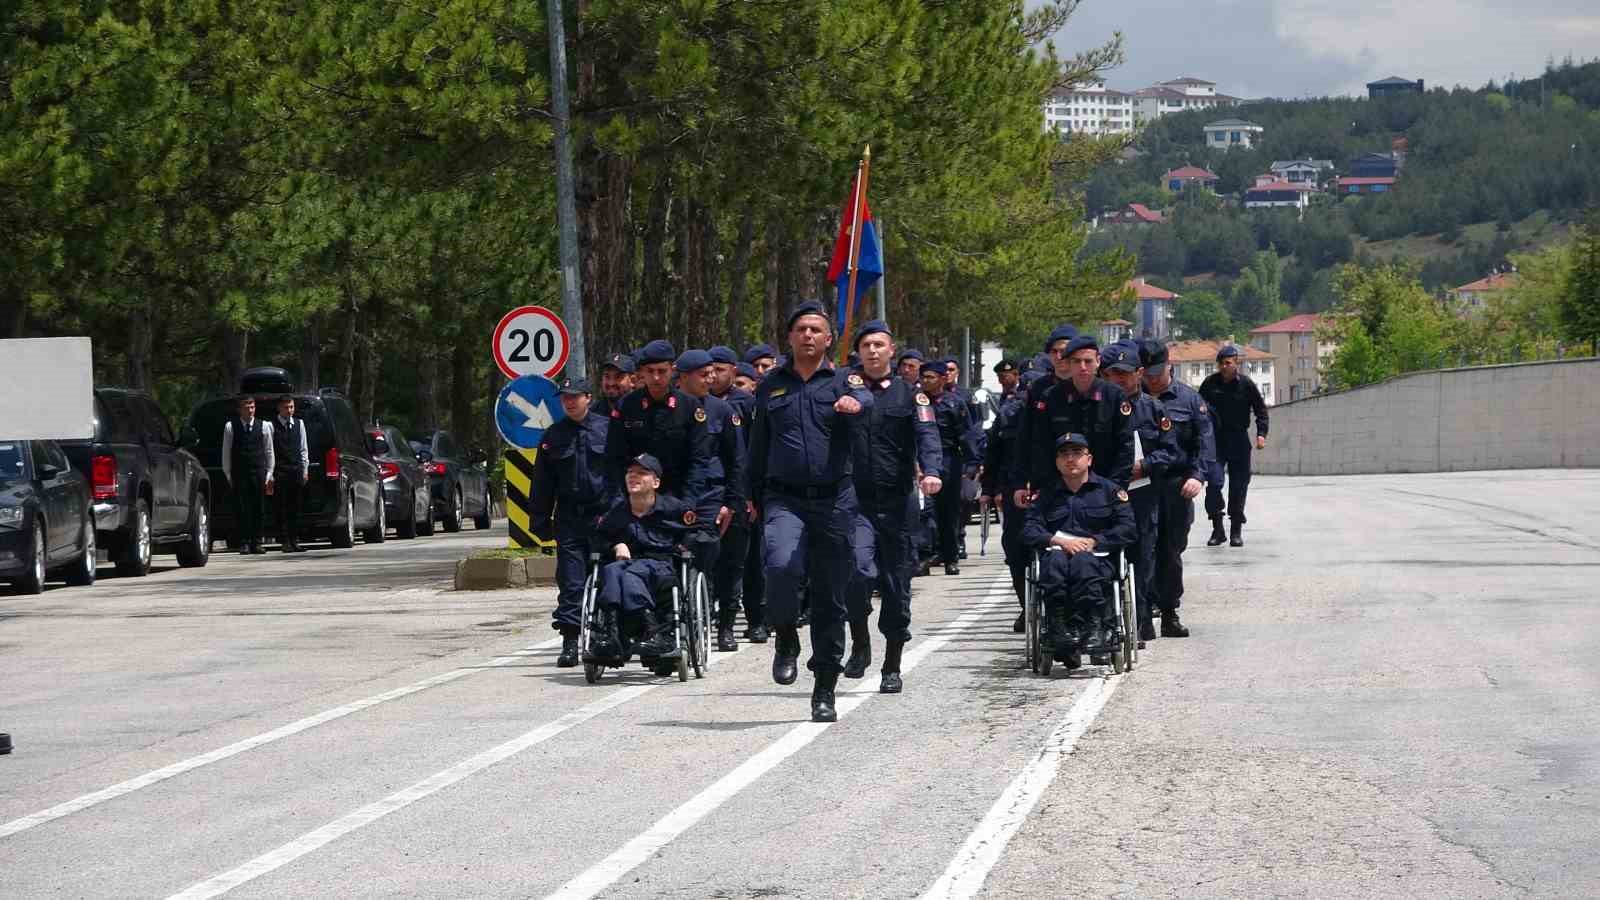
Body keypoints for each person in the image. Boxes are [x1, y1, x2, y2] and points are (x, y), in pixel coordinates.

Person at [746, 300, 874, 722]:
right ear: (789, 336)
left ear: (829, 338)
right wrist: (750, 495)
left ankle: (824, 688)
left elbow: (865, 399)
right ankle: (785, 636)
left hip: (834, 501)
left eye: (816, 330)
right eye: (800, 329)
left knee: (829, 597)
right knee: (780, 567)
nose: (808, 335)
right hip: (784, 499)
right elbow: (758, 444)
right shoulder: (771, 385)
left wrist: (855, 406)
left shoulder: (843, 380)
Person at [845, 320, 942, 693]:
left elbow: (927, 436)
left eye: (879, 345)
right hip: (856, 502)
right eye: (866, 345)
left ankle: (892, 664)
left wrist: (931, 472)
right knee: (855, 572)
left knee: (896, 585)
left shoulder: (910, 396)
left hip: (898, 503)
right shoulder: (845, 388)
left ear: (892, 350)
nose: (872, 351)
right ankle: (860, 643)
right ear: (858, 352)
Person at [1021, 433, 1137, 671]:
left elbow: (1128, 529)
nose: (1070, 459)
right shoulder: (1046, 495)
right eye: (1064, 454)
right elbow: (1028, 529)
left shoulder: (1109, 491)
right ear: (1056, 462)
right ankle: (1059, 628)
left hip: (1097, 562)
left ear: (1089, 459)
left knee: (1084, 561)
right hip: (1058, 559)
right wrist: (1056, 540)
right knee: (1053, 561)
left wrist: (1095, 541)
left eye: (1076, 454)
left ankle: (1094, 627)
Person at [1097, 342, 1180, 644]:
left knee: (1142, 560)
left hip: (1143, 497)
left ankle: (1141, 622)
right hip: (1107, 495)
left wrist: (1144, 466)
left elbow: (1170, 452)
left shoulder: (1154, 409)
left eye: (1125, 374)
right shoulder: (1098, 408)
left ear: (1139, 374)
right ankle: (1111, 623)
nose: (1119, 379)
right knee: (1105, 558)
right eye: (1113, 374)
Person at [529, 378, 614, 667]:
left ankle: (607, 634)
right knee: (571, 582)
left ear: (588, 397)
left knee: (609, 577)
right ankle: (569, 641)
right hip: (570, 518)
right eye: (564, 397)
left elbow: (622, 474)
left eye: (575, 396)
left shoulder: (609, 429)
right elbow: (542, 483)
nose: (569, 402)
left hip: (605, 516)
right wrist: (539, 520)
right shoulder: (553, 436)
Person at [1140, 339, 1215, 638]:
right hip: (1142, 483)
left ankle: (1169, 610)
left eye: (1157, 372)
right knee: (1143, 549)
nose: (1152, 378)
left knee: (1171, 550)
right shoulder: (1131, 400)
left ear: (1169, 366)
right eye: (1147, 373)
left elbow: (1205, 442)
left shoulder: (1189, 400)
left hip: (1176, 484)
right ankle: (1144, 614)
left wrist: (1198, 475)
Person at [674, 349, 747, 651]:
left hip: (715, 497)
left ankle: (726, 625)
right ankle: (684, 622)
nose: (711, 378)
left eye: (712, 373)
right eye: (703, 374)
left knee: (725, 562)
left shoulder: (722, 411)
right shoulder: (671, 408)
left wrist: (731, 502)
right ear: (684, 378)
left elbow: (737, 461)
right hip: (678, 497)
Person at [590, 454, 695, 663]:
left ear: (656, 482)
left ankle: (653, 631)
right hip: (628, 564)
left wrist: (681, 550)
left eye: (641, 473)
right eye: (630, 473)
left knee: (631, 573)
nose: (633, 476)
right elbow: (597, 538)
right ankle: (611, 635)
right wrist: (615, 545)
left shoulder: (674, 509)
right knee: (610, 570)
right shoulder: (617, 511)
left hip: (661, 565)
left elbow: (694, 534)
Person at [1015, 334, 1134, 505]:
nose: (1083, 367)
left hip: (1104, 490)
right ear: (1069, 364)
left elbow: (1125, 448)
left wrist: (1115, 488)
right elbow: (1040, 447)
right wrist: (1042, 488)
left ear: (1098, 361)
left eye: (1088, 361)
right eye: (1077, 362)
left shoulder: (1114, 397)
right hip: (1060, 492)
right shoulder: (1051, 397)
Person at [606, 339, 712, 505]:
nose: (656, 377)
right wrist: (621, 499)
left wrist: (688, 502)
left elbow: (699, 459)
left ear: (672, 370)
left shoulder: (689, 407)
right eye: (650, 371)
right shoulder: (627, 406)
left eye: (662, 371)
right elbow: (614, 457)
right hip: (636, 498)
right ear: (642, 372)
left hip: (678, 496)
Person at [981, 367, 1044, 632]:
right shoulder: (1008, 415)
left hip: (1049, 491)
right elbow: (993, 454)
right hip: (1014, 492)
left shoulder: (1053, 413)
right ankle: (1027, 606)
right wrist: (987, 489)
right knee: (1016, 551)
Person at [1199, 344, 1268, 547]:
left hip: (1238, 440)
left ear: (1236, 363)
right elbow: (1198, 409)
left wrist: (1261, 434)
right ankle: (1217, 529)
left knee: (1238, 486)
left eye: (1227, 363)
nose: (1223, 366)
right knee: (1214, 484)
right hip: (1216, 442)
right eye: (1220, 363)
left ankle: (1236, 530)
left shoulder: (1246, 385)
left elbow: (1260, 410)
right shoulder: (1210, 384)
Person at [920, 360, 970, 576]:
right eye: (924, 376)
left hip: (948, 460)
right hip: (920, 461)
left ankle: (950, 557)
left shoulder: (954, 403)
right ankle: (925, 555)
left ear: (942, 379)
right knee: (924, 512)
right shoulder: (917, 402)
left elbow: (966, 435)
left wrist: (973, 463)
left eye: (931, 377)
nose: (925, 381)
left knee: (948, 512)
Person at [221, 395, 274, 555]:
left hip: (258, 471)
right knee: (242, 508)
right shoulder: (231, 427)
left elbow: (269, 451)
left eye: (252, 407)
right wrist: (228, 474)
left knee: (258, 508)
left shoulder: (264, 426)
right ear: (240, 409)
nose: (250, 410)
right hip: (240, 472)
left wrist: (269, 473)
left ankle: (257, 542)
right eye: (246, 407)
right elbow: (226, 452)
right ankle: (243, 542)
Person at [271, 395, 310, 553]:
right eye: (286, 407)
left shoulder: (299, 424)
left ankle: (295, 540)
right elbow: (269, 450)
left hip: (296, 470)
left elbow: (303, 449)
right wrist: (270, 473)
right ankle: (285, 540)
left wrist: (305, 469)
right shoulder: (271, 425)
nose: (289, 410)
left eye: (292, 407)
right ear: (279, 408)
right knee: (281, 507)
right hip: (279, 471)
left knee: (296, 507)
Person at [594, 353, 636, 418]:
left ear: (633, 381)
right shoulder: (593, 412)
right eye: (607, 376)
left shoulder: (643, 411)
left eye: (618, 377)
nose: (611, 383)